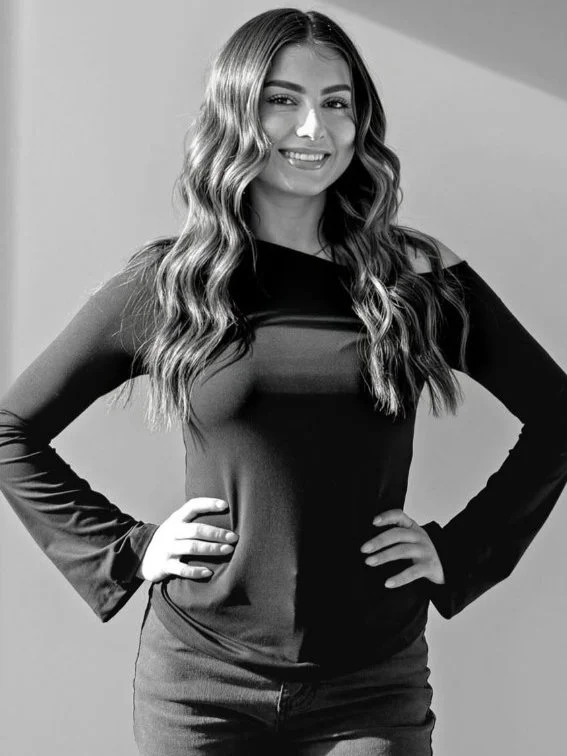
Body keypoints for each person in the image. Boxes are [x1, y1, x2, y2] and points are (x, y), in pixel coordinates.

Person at [1, 7, 566, 755]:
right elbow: (11, 431)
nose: (313, 128)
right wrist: (128, 550)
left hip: (369, 680)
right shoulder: (177, 283)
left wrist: (462, 553)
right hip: (199, 682)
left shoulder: (415, 279)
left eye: (336, 103)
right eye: (282, 100)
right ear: (237, 112)